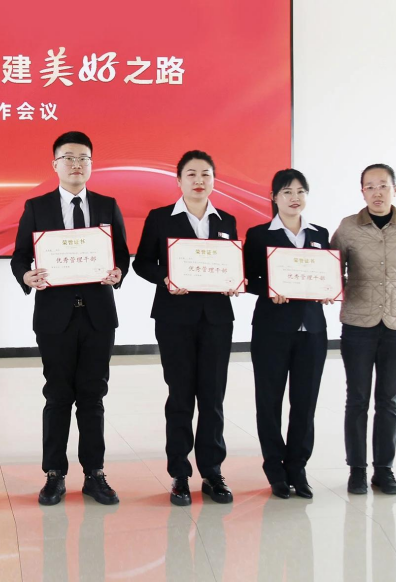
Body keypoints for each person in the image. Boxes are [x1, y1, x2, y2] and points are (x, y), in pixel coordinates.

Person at [10, 131, 130, 506]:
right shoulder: (36, 207)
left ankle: (94, 474)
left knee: (93, 396)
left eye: (83, 158)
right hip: (54, 318)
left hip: (97, 317)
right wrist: (25, 276)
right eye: (69, 158)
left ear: (91, 164)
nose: (77, 164)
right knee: (58, 395)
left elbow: (121, 254)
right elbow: (19, 256)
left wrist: (118, 273)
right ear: (55, 164)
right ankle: (54, 474)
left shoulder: (107, 205)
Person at [133, 150, 239, 505]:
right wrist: (165, 278)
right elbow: (142, 263)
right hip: (174, 318)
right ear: (178, 180)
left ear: (214, 180)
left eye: (205, 174)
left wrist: (234, 280)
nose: (199, 180)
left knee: (213, 396)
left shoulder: (226, 220)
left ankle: (212, 472)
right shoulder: (161, 218)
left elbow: (232, 265)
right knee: (180, 396)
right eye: (191, 174)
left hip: (217, 319)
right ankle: (179, 473)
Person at [331, 163, 396, 495]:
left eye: (383, 185)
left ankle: (384, 470)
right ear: (362, 192)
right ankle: (357, 470)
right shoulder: (348, 227)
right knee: (357, 399)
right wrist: (347, 293)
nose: (377, 192)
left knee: (388, 400)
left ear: (395, 190)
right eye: (370, 186)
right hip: (358, 325)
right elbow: (332, 268)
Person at [244, 169, 334, 499]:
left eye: (300, 191)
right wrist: (270, 289)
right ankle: (275, 469)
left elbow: (327, 274)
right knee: (269, 402)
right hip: (272, 329)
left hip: (312, 330)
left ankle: (298, 467)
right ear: (274, 197)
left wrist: (329, 289)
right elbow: (248, 278)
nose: (294, 198)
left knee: (305, 403)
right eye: (287, 192)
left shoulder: (320, 234)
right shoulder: (259, 235)